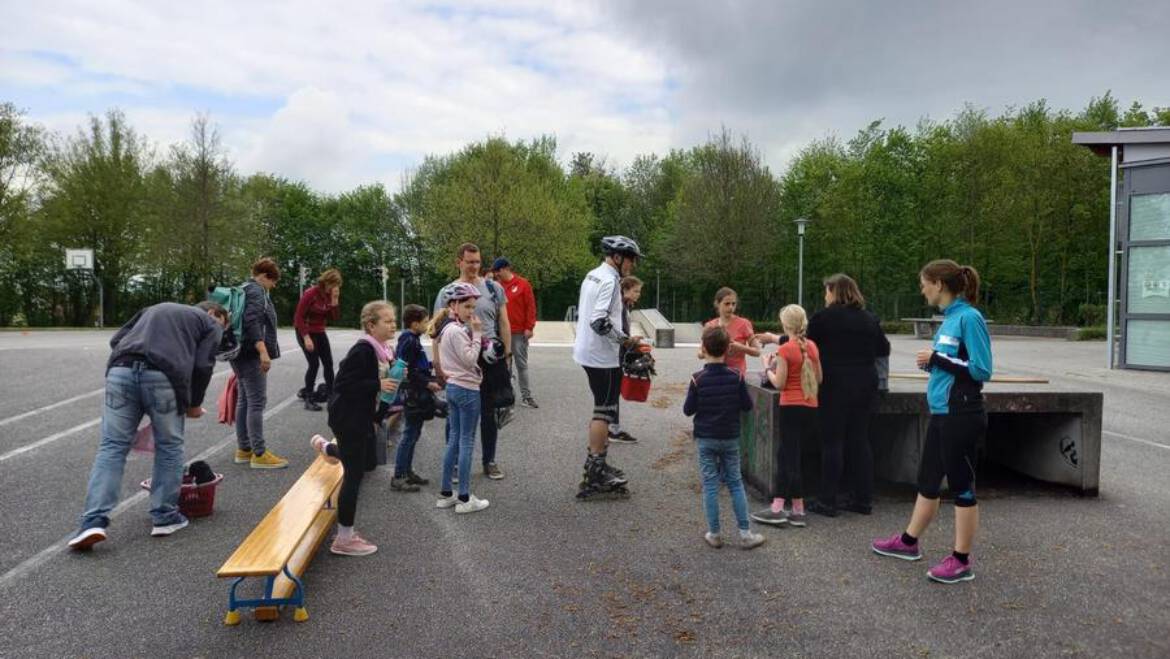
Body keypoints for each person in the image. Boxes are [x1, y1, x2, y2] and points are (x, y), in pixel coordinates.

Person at [68, 301, 228, 550]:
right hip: (165, 377)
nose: (222, 330)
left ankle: (91, 522)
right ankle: (165, 516)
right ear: (213, 313)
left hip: (121, 370)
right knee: (169, 446)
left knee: (112, 446)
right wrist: (194, 403)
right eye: (224, 324)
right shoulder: (211, 323)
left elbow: (117, 339)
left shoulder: (154, 309)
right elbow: (203, 364)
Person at [872, 260, 991, 584]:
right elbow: (956, 364)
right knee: (927, 481)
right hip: (943, 413)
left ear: (939, 284)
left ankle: (961, 560)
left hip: (961, 414)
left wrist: (937, 359)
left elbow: (982, 370)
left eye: (924, 283)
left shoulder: (969, 318)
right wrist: (936, 366)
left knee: (962, 487)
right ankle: (909, 543)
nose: (921, 289)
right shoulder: (949, 320)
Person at [312, 301, 400, 556]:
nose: (393, 324)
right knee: (354, 476)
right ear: (371, 325)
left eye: (394, 320)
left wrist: (378, 413)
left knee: (369, 462)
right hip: (348, 417)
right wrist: (378, 384)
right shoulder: (363, 350)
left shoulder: (383, 349)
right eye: (387, 321)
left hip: (362, 415)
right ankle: (344, 537)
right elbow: (343, 383)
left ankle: (328, 448)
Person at [804, 273, 891, 516]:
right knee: (860, 441)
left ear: (834, 291)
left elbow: (807, 348)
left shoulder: (823, 318)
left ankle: (827, 500)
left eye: (826, 291)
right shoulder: (869, 319)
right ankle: (863, 500)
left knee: (832, 442)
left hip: (834, 385)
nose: (825, 296)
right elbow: (883, 350)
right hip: (865, 384)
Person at [572, 235, 647, 499]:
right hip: (601, 356)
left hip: (588, 351)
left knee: (603, 408)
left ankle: (598, 466)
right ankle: (594, 472)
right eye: (631, 259)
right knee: (603, 410)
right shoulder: (610, 281)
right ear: (617, 257)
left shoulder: (592, 275)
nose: (633, 265)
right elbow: (599, 321)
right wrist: (625, 341)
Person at [433, 243, 510, 481]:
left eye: (477, 262)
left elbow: (504, 323)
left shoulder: (493, 288)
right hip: (458, 356)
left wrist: (506, 357)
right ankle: (454, 464)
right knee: (456, 414)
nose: (474, 266)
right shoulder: (448, 292)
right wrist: (438, 365)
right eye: (469, 262)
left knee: (490, 412)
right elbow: (437, 329)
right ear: (459, 262)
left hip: (489, 356)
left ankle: (489, 461)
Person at [684, 326, 766, 550]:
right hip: (730, 436)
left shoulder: (697, 379)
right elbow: (747, 406)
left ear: (703, 348)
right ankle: (745, 533)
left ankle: (715, 533)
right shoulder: (736, 376)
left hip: (706, 437)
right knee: (735, 482)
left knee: (710, 484)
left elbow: (688, 410)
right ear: (729, 349)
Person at [751, 305, 821, 528]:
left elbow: (779, 383)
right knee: (794, 456)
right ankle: (798, 509)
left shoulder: (785, 350)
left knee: (787, 457)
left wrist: (766, 367)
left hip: (791, 406)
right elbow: (818, 379)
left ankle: (778, 508)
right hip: (810, 405)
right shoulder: (812, 346)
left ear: (785, 325)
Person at [436, 282, 491, 513]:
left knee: (454, 440)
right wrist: (478, 334)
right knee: (466, 442)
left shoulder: (445, 329)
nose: (471, 311)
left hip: (453, 387)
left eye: (473, 307)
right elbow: (470, 359)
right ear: (453, 305)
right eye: (467, 306)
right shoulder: (457, 331)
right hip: (467, 389)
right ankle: (465, 497)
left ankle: (447, 493)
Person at [231, 257, 286, 469]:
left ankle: (244, 449)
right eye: (273, 281)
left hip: (239, 352)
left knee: (244, 400)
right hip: (252, 352)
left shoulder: (243, 288)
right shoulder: (255, 291)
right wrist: (262, 350)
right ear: (264, 276)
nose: (274, 285)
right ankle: (259, 453)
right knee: (256, 402)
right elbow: (251, 321)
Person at [391, 304, 442, 492]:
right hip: (413, 394)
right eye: (425, 321)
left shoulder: (413, 339)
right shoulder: (409, 340)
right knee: (409, 434)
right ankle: (398, 476)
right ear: (414, 323)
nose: (427, 324)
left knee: (414, 434)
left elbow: (416, 365)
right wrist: (428, 383)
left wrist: (431, 365)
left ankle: (407, 471)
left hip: (417, 391)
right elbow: (407, 370)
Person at [492, 257, 539, 409]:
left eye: (499, 271)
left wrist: (529, 327)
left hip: (519, 332)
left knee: (521, 365)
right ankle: (507, 396)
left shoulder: (523, 284)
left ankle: (526, 396)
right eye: (495, 272)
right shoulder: (497, 286)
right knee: (505, 366)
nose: (497, 274)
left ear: (506, 268)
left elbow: (530, 306)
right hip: (501, 332)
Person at [293, 268, 342, 411]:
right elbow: (298, 317)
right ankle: (309, 398)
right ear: (326, 282)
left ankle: (332, 396)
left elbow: (334, 318)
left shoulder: (330, 295)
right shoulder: (311, 294)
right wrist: (306, 337)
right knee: (313, 364)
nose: (334, 288)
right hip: (305, 331)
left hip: (320, 331)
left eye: (336, 286)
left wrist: (335, 300)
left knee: (329, 363)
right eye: (332, 285)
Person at [607, 276, 643, 444]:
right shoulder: (620, 306)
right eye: (635, 291)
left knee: (612, 391)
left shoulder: (625, 305)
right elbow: (617, 331)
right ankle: (612, 429)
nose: (638, 295)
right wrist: (630, 341)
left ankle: (611, 426)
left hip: (618, 351)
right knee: (612, 391)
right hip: (615, 354)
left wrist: (630, 338)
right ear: (625, 290)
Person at [703, 287, 761, 377]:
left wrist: (740, 347)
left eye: (733, 304)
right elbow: (700, 353)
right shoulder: (709, 326)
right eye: (727, 304)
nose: (731, 307)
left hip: (736, 376)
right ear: (717, 304)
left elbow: (757, 352)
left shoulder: (744, 324)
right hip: (714, 375)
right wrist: (714, 351)